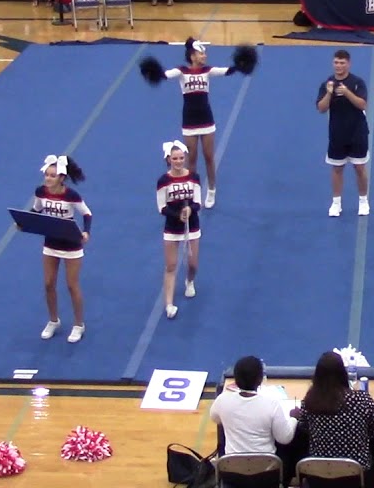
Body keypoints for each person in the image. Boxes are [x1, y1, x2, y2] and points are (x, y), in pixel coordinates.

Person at [160, 39, 245, 208]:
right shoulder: (182, 71)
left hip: (206, 118)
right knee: (191, 159)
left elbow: (226, 71)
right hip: (189, 120)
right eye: (201, 53)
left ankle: (212, 189)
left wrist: (240, 64)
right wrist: (154, 72)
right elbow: (165, 75)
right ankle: (194, 191)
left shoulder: (207, 70)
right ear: (192, 56)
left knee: (208, 157)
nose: (205, 56)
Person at [292, 351, 374, 488]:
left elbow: (303, 427)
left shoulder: (310, 402)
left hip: (319, 478)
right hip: (357, 478)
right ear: (342, 374)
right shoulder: (362, 400)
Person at [30, 154, 91, 343]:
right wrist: (23, 221)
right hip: (51, 243)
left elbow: (87, 214)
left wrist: (86, 232)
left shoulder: (71, 195)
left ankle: (79, 324)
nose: (48, 178)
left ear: (61, 178)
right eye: (47, 175)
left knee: (72, 286)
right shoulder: (41, 192)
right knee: (48, 283)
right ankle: (53, 320)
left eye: (52, 175)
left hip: (71, 244)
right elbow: (36, 211)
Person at [209, 355, 297, 458]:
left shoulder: (222, 400)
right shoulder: (272, 405)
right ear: (260, 379)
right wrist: (293, 418)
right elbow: (284, 438)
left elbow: (214, 418)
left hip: (232, 467)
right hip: (266, 468)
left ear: (235, 379)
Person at [316, 49, 370, 217]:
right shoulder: (327, 84)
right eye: (336, 63)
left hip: (357, 132)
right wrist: (330, 93)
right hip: (337, 133)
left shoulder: (357, 82)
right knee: (337, 168)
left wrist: (347, 93)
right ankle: (336, 203)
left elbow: (362, 105)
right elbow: (321, 108)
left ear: (349, 64)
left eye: (342, 63)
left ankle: (363, 201)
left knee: (359, 167)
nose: (338, 66)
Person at [156, 140, 202, 319]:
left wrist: (190, 210)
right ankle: (169, 304)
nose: (178, 161)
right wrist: (177, 215)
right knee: (171, 266)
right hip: (172, 227)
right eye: (175, 158)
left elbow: (198, 201)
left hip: (192, 225)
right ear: (168, 159)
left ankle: (189, 280)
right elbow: (161, 207)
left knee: (193, 264)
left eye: (181, 158)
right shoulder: (163, 181)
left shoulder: (194, 177)